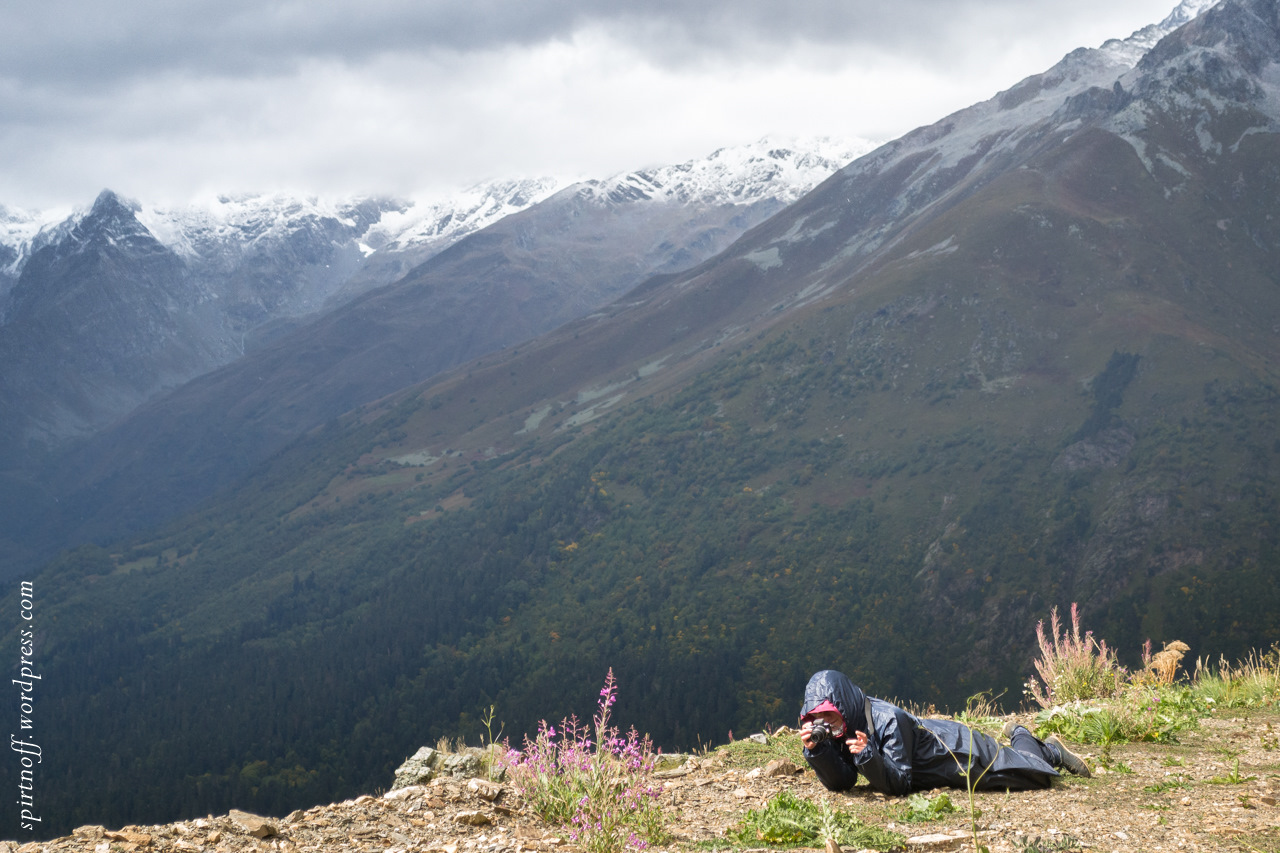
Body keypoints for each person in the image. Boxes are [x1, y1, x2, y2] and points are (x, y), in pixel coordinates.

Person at [799, 670, 1090, 795]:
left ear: (843, 705)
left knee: (1036, 777)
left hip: (957, 753)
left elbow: (900, 783)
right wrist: (818, 751)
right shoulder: (846, 727)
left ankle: (1045, 748)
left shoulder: (889, 719)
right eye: (816, 717)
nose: (824, 723)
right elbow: (844, 782)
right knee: (1028, 773)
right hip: (935, 764)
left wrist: (867, 756)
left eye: (828, 714)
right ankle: (1029, 741)